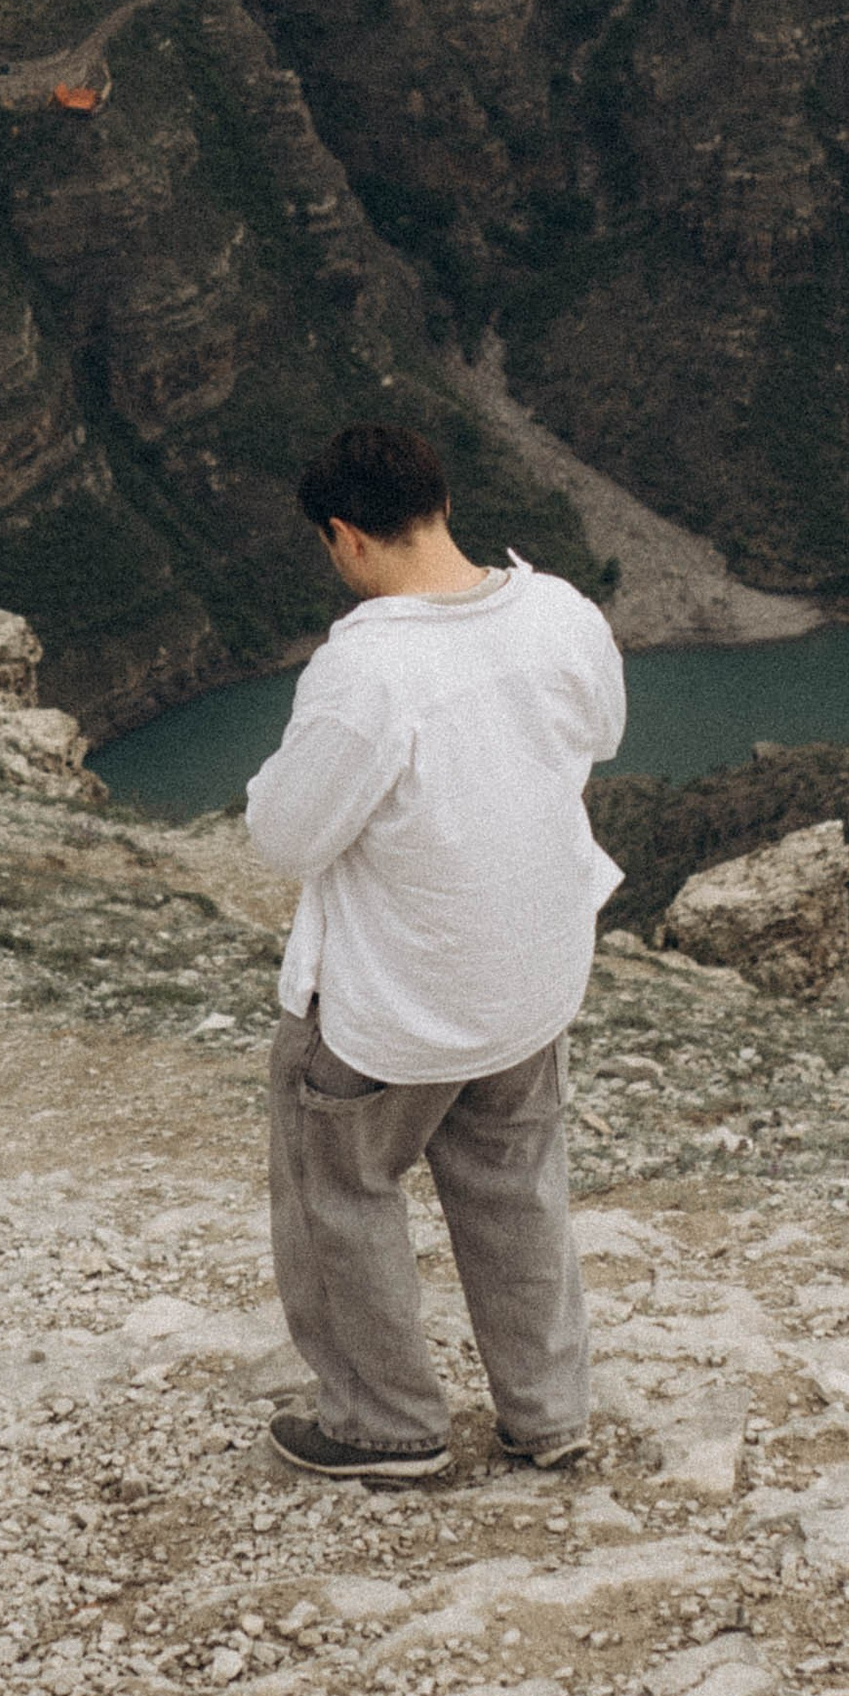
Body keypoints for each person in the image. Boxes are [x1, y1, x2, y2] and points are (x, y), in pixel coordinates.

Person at [245, 421, 626, 1484]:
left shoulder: (367, 669)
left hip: (396, 1000)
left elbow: (287, 835)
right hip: (530, 976)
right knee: (516, 1189)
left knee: (343, 1189)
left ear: (345, 538)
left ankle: (385, 1426)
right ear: (440, 503)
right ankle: (548, 1414)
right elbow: (600, 734)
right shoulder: (559, 613)